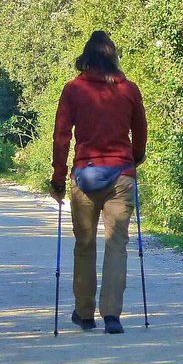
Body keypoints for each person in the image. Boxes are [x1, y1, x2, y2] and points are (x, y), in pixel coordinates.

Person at [50, 30, 148, 335]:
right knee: (116, 245)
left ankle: (84, 313)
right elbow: (140, 129)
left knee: (85, 245)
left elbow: (61, 136)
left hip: (85, 176)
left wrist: (57, 176)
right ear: (113, 57)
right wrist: (135, 157)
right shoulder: (129, 90)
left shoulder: (73, 90)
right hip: (120, 174)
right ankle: (112, 316)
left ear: (86, 58)